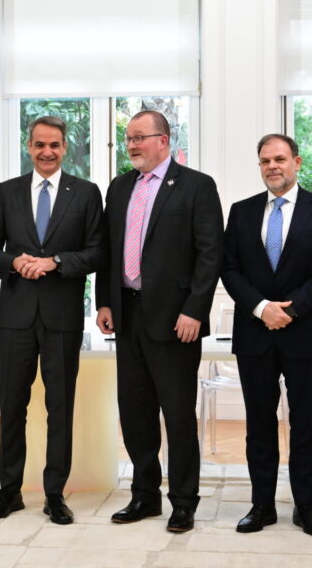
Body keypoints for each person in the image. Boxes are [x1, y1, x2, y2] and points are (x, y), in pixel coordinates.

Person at [96, 110, 223, 534]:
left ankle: (183, 501)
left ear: (163, 140)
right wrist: (104, 301)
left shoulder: (197, 186)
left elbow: (210, 254)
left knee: (178, 415)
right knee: (135, 413)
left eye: (139, 137)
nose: (132, 145)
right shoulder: (119, 187)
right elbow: (108, 250)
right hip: (127, 316)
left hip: (176, 320)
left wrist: (195, 310)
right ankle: (145, 495)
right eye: (128, 138)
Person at [0, 115, 105, 525]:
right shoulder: (7, 191)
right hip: (15, 315)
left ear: (65, 147)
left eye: (54, 145)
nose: (46, 152)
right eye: (39, 144)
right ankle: (9, 491)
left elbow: (97, 252)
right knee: (12, 405)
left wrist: (56, 262)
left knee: (60, 406)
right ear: (28, 146)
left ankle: (55, 493)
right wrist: (14, 262)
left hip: (62, 316)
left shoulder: (86, 193)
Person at [220, 133, 312, 537]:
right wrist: (262, 308)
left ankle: (305, 506)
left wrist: (289, 310)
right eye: (265, 161)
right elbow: (229, 268)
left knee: (306, 424)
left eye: (279, 159)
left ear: (297, 162)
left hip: (304, 332)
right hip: (254, 332)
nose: (272, 167)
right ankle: (262, 505)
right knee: (258, 424)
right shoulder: (241, 211)